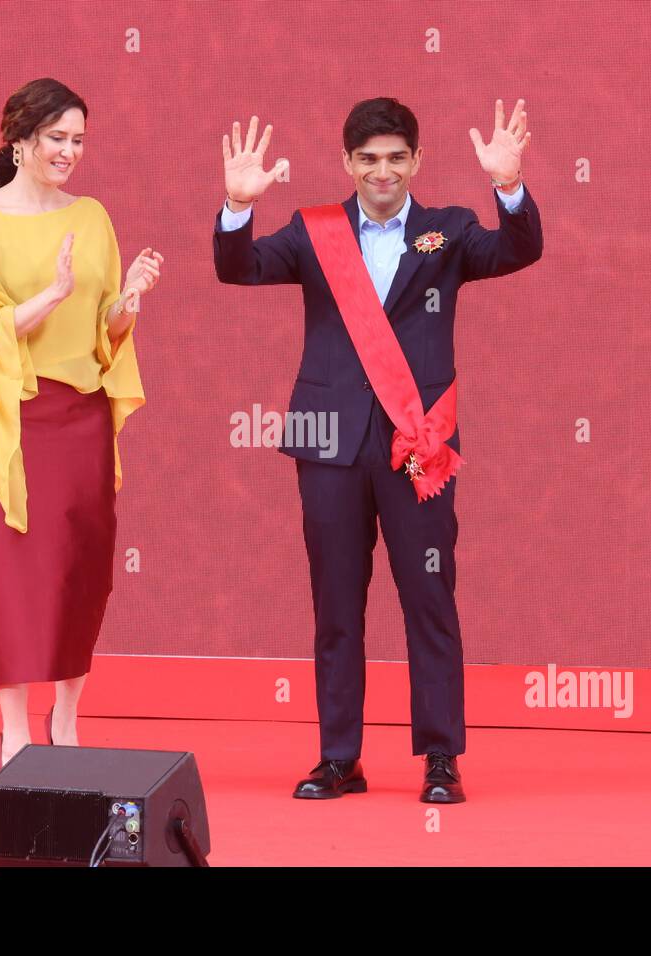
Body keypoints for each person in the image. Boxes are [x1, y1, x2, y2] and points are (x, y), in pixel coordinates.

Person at [212, 97, 542, 803]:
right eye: (368, 159)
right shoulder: (312, 230)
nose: (382, 171)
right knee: (335, 602)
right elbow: (237, 270)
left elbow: (520, 249)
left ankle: (441, 759)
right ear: (348, 164)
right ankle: (339, 758)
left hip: (418, 441)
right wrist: (236, 207)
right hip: (325, 439)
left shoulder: (450, 231)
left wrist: (509, 188)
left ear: (416, 162)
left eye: (396, 158)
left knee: (428, 596)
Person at [0, 78, 161, 772]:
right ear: (21, 141)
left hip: (83, 412)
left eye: (78, 140)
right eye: (56, 140)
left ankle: (65, 717)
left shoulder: (93, 217)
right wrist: (52, 294)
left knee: (83, 566)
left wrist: (126, 303)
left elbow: (106, 334)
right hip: (8, 416)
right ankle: (13, 731)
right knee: (12, 568)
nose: (69, 152)